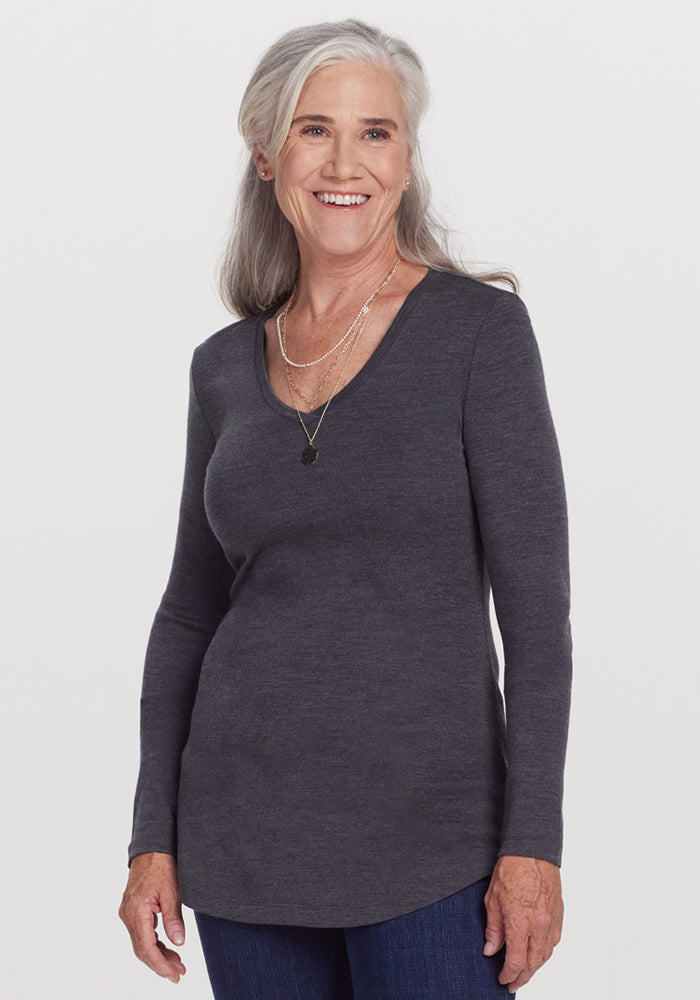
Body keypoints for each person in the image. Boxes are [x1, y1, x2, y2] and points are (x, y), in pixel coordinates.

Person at [119, 18, 573, 1000]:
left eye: (375, 132)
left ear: (406, 161)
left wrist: (532, 844)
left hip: (433, 849)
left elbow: (536, 619)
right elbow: (188, 615)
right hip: (241, 847)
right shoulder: (224, 368)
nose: (345, 160)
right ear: (267, 153)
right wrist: (153, 836)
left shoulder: (477, 334)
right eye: (314, 129)